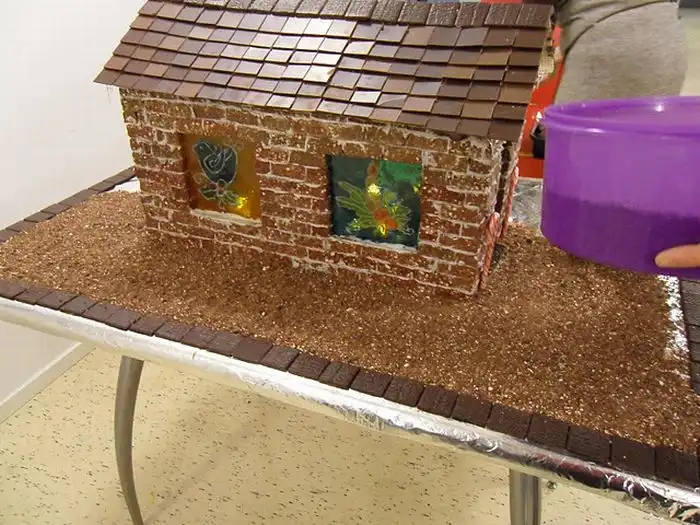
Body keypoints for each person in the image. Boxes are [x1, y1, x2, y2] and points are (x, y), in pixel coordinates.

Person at [524, 0, 688, 104]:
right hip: (665, 31)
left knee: (575, 145)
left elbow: (538, 5)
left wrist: (537, 59)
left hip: (611, 41)